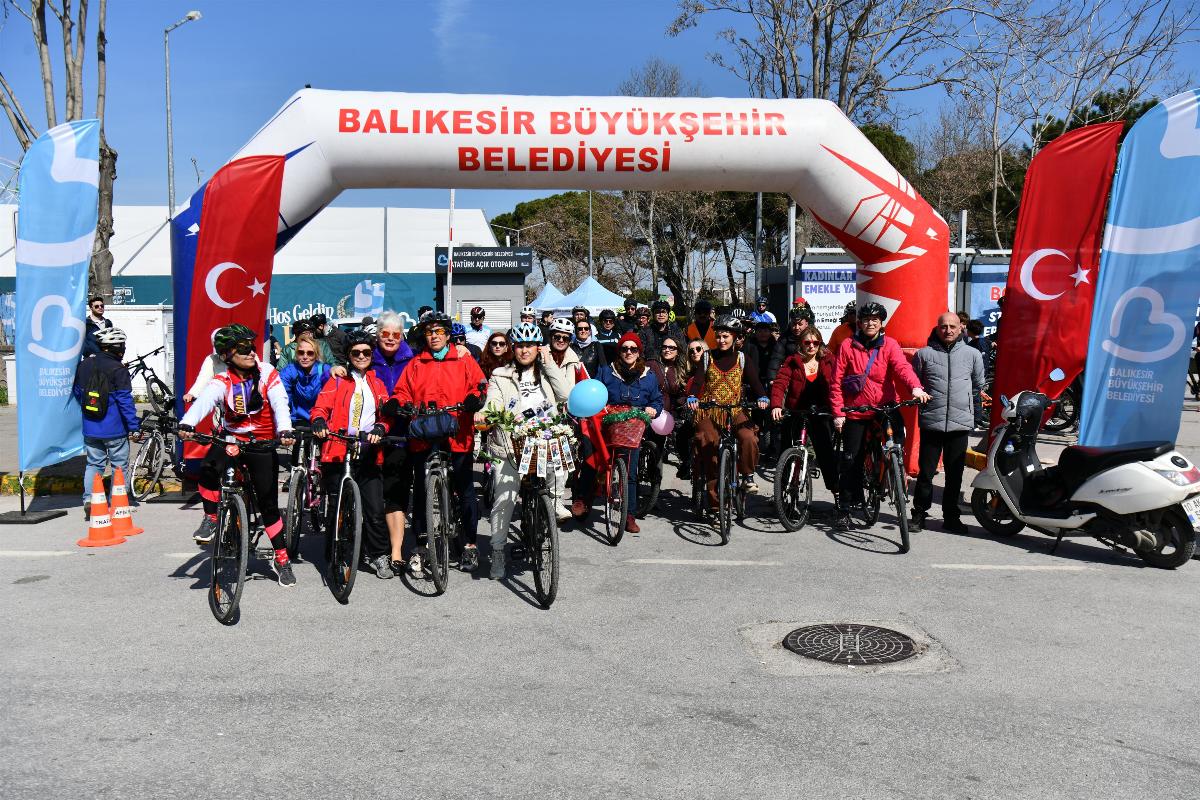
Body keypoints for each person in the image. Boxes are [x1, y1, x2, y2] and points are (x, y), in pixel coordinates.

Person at [179, 324, 297, 585]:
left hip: (262, 442)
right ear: (225, 355)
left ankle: (281, 559)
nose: (251, 352)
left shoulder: (267, 372)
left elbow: (280, 402)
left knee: (268, 504)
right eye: (243, 349)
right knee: (208, 469)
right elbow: (204, 401)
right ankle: (211, 517)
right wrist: (187, 423)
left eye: (251, 347)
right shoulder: (222, 380)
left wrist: (285, 429)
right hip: (232, 437)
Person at [386, 313, 486, 574]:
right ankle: (421, 546)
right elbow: (403, 390)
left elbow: (479, 384)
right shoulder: (417, 362)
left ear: (448, 335)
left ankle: (469, 544)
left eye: (439, 331)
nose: (434, 336)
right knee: (421, 489)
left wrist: (474, 398)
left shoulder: (463, 359)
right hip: (425, 433)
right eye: (430, 332)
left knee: (465, 488)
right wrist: (397, 402)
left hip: (457, 432)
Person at [479, 323, 574, 578]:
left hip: (543, 441)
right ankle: (498, 552)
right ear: (513, 348)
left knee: (561, 460)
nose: (524, 351)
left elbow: (566, 395)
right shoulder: (500, 375)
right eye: (520, 345)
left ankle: (554, 502)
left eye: (530, 345)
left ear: (538, 347)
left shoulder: (547, 372)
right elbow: (493, 402)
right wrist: (486, 413)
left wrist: (549, 363)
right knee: (505, 499)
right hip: (511, 445)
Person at [829, 302, 930, 530]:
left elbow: (902, 368)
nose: (870, 323)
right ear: (859, 323)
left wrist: (915, 387)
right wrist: (838, 412)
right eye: (866, 319)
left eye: (875, 319)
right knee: (851, 460)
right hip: (857, 410)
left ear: (881, 322)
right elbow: (836, 381)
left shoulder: (889, 344)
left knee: (897, 440)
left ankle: (893, 466)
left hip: (885, 406)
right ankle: (844, 508)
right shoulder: (847, 345)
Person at [310, 329, 394, 577]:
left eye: (366, 352)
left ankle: (379, 555)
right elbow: (320, 407)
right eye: (356, 352)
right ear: (348, 355)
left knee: (375, 509)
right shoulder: (337, 380)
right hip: (338, 449)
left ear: (371, 355)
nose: (361, 356)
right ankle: (335, 557)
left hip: (368, 450)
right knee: (336, 508)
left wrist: (381, 427)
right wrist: (319, 421)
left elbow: (386, 415)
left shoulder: (377, 383)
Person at [911, 313, 985, 534]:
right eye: (944, 326)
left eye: (953, 326)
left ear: (961, 327)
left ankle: (951, 517)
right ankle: (919, 514)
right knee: (926, 473)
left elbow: (978, 383)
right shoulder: (923, 354)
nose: (948, 330)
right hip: (932, 422)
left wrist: (971, 410)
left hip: (960, 423)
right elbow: (915, 383)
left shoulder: (972, 354)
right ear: (937, 328)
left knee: (955, 474)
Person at [686, 316, 769, 504]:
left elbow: (755, 382)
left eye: (726, 336)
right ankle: (716, 504)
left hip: (735, 409)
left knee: (749, 437)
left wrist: (762, 397)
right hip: (710, 410)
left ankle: (747, 476)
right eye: (718, 336)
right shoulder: (707, 357)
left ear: (735, 337)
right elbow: (698, 380)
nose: (721, 340)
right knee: (710, 445)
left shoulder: (742, 358)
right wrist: (692, 396)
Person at [598, 331, 664, 533]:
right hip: (609, 424)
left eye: (633, 349)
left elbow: (657, 400)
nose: (629, 352)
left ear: (639, 352)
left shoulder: (649, 376)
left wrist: (653, 409)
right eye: (625, 349)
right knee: (593, 459)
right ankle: (583, 499)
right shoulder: (606, 372)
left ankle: (629, 515)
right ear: (619, 352)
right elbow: (595, 394)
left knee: (630, 471)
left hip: (634, 427)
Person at [72, 327, 141, 515]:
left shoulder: (85, 365)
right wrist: (134, 426)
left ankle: (89, 500)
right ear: (117, 347)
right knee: (119, 466)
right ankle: (117, 504)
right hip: (115, 429)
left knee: (94, 464)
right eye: (122, 345)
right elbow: (125, 400)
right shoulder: (118, 369)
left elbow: (78, 393)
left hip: (90, 427)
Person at [370, 310, 415, 571]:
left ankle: (396, 551)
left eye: (395, 335)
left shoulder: (412, 359)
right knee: (373, 495)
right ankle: (375, 546)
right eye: (385, 333)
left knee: (396, 493)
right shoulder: (366, 357)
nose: (390, 338)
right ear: (377, 335)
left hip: (400, 435)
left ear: (402, 336)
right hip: (370, 436)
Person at [770, 327, 838, 495]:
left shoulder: (829, 360)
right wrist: (776, 405)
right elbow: (780, 382)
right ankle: (782, 492)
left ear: (820, 343)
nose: (811, 346)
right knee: (787, 450)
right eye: (807, 342)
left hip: (820, 412)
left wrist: (837, 410)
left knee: (826, 453)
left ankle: (836, 492)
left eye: (815, 342)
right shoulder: (792, 361)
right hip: (796, 411)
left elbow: (837, 383)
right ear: (801, 343)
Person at [278, 332, 333, 427]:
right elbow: (283, 398)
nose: (305, 357)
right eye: (301, 352)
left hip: (321, 420)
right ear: (296, 354)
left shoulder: (325, 371)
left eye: (310, 353)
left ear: (316, 355)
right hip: (297, 420)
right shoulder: (290, 370)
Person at [768, 304, 817, 378]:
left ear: (806, 324)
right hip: (791, 376)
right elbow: (776, 358)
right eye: (794, 324)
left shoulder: (814, 336)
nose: (796, 327)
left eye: (800, 324)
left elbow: (823, 356)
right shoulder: (784, 338)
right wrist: (772, 378)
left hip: (811, 374)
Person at [546, 317, 584, 385]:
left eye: (565, 338)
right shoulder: (541, 355)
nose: (561, 340)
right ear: (551, 337)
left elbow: (569, 388)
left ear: (570, 341)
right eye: (557, 337)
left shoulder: (573, 358)